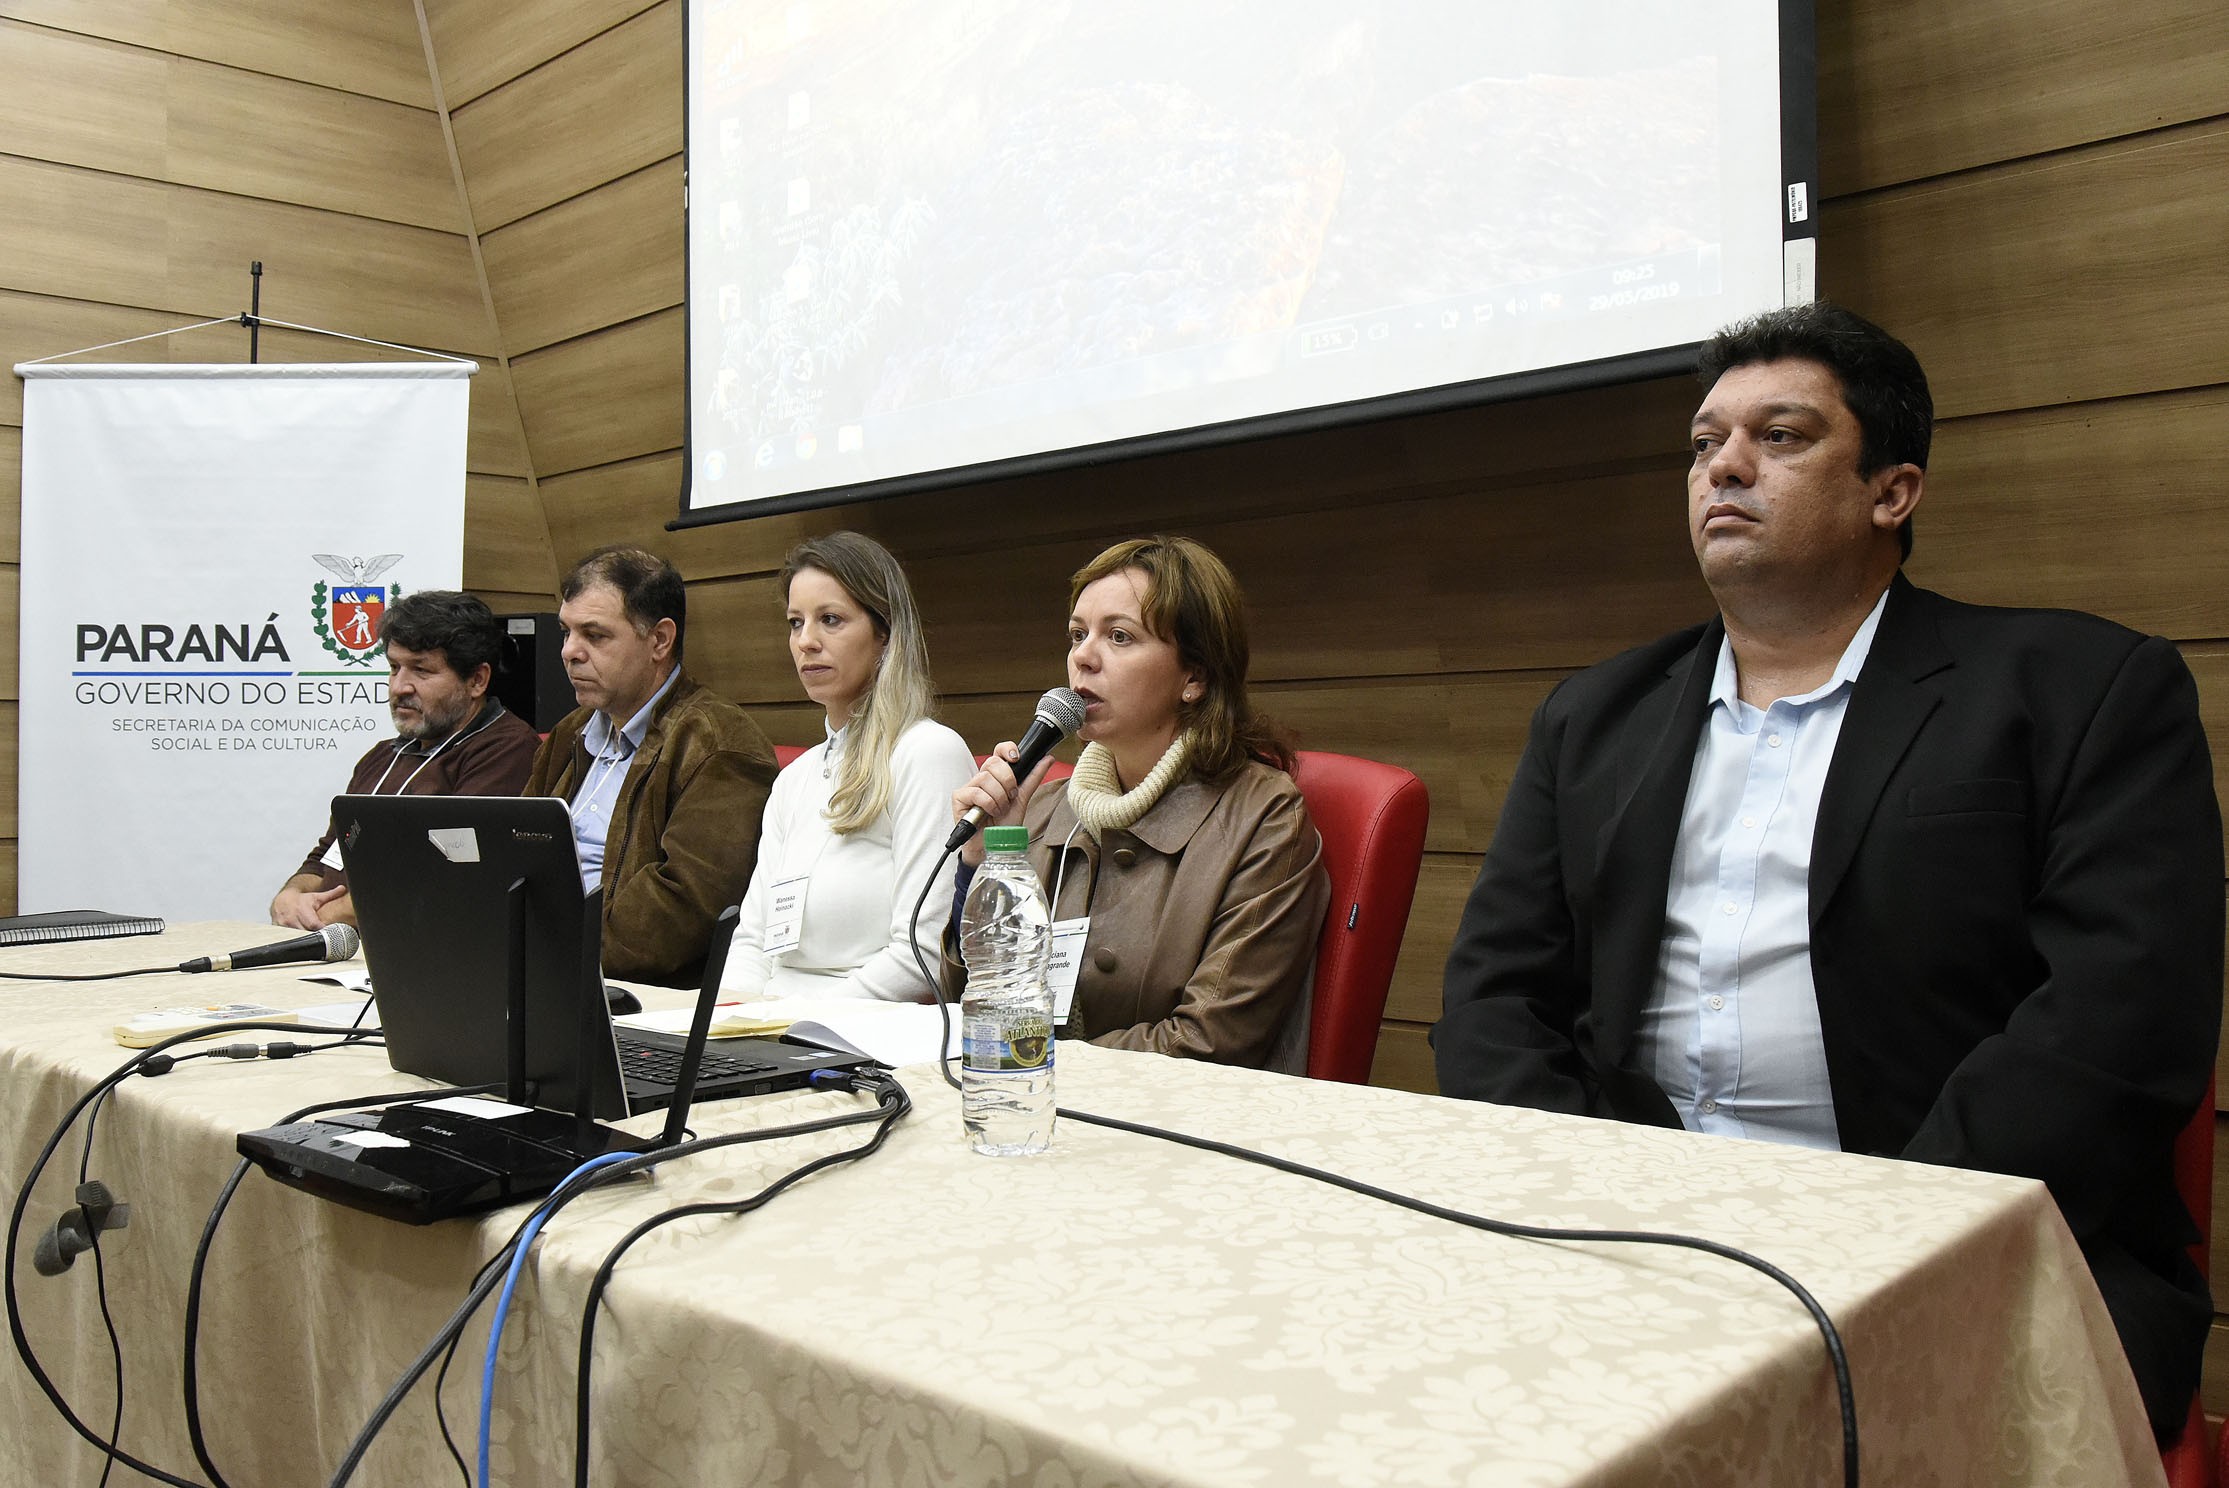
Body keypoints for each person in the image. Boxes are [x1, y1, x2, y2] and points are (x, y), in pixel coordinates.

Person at [1433, 301, 2221, 1439]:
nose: (1726, 468)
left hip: (1957, 1236)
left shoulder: (2080, 691)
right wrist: (1590, 1204)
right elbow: (1494, 996)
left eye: (1783, 437)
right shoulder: (1593, 716)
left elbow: (2120, 1025)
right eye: (1706, 444)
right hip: (1637, 1237)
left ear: (1892, 491)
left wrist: (1869, 1231)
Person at [950, 536, 1329, 1070]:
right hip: (1031, 1106)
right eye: (1078, 634)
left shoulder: (1263, 818)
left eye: (1119, 636)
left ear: (1194, 677)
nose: (1083, 656)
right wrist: (988, 861)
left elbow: (1207, 1045)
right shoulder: (1041, 809)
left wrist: (1026, 1059)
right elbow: (970, 1000)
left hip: (1180, 1131)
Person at [720, 533, 975, 1000]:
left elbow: (922, 955)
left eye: (830, 620)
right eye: (795, 623)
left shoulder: (927, 753)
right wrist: (727, 1023)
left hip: (861, 1038)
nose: (806, 642)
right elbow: (753, 942)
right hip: (774, 1031)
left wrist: (792, 1026)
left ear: (885, 633)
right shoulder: (794, 778)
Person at [526, 546, 779, 987]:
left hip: (635, 993)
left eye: (595, 635)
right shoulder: (570, 733)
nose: (569, 651)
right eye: (566, 632)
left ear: (660, 640)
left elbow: (681, 910)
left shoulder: (717, 742)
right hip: (546, 969)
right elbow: (515, 853)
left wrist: (545, 953)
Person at [270, 591, 539, 930]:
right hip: (337, 949)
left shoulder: (507, 751)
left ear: (477, 680)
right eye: (394, 667)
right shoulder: (382, 757)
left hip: (423, 960)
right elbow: (328, 856)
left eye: (420, 670)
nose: (399, 687)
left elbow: (445, 873)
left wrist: (322, 918)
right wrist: (291, 897)